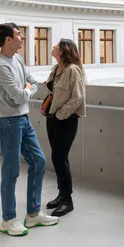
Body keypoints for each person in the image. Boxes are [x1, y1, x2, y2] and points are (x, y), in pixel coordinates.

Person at [0, 23, 58, 237]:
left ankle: (33, 213)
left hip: (23, 119)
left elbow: (31, 83)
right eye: (19, 35)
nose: (23, 38)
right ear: (8, 39)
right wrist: (27, 90)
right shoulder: (0, 66)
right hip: (9, 122)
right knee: (11, 171)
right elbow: (19, 97)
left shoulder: (17, 59)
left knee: (39, 162)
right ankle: (8, 219)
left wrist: (26, 89)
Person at [44, 39, 87, 217]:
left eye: (56, 46)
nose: (53, 47)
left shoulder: (73, 70)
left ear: (63, 51)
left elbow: (78, 97)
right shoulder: (56, 69)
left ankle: (67, 200)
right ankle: (62, 195)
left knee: (58, 158)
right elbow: (54, 92)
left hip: (66, 120)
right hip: (53, 118)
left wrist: (61, 115)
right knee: (59, 159)